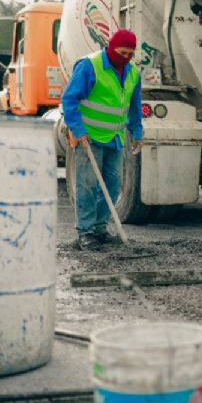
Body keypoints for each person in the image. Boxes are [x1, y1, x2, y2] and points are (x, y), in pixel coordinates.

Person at [62, 29, 144, 250]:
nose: (126, 58)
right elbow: (69, 100)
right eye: (122, 53)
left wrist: (137, 131)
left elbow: (134, 105)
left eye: (130, 54)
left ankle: (100, 228)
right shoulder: (89, 66)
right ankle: (85, 231)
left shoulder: (132, 72)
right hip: (89, 138)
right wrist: (78, 130)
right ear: (111, 47)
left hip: (115, 138)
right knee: (87, 185)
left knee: (113, 186)